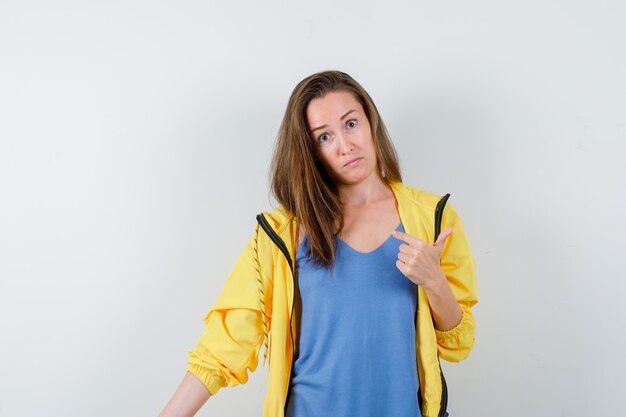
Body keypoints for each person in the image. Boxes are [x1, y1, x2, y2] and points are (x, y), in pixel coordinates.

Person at [158, 70, 478, 417]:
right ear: (311, 152)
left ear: (370, 122)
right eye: (324, 137)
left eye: (351, 124)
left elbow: (457, 343)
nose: (345, 145)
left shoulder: (433, 217)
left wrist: (433, 280)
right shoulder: (284, 232)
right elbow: (223, 346)